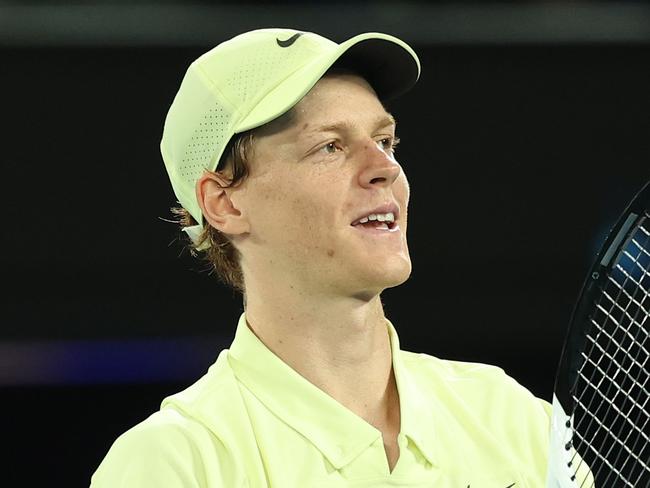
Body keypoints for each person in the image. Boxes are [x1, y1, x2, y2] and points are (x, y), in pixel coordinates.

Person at [90, 28, 552, 487]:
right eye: (329, 146)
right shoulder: (173, 464)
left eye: (385, 141)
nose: (385, 168)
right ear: (225, 203)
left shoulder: (513, 418)